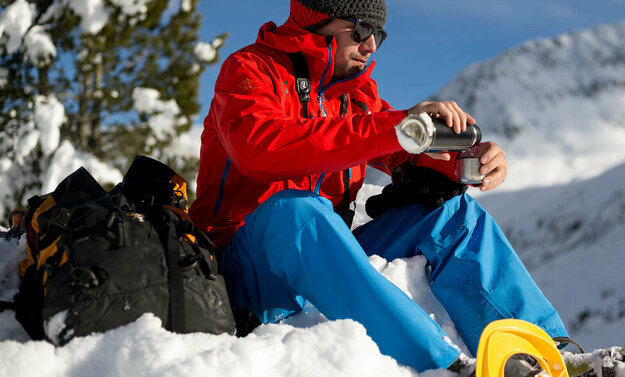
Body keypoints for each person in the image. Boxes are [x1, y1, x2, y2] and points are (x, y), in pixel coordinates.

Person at [189, 0, 568, 372]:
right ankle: (446, 366)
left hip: (328, 260)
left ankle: (543, 356)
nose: (370, 46)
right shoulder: (250, 70)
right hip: (243, 271)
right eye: (361, 30)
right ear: (318, 19)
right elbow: (260, 149)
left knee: (454, 215)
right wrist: (398, 128)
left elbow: (400, 153)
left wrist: (462, 162)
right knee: (296, 210)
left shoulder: (353, 96)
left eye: (379, 35)